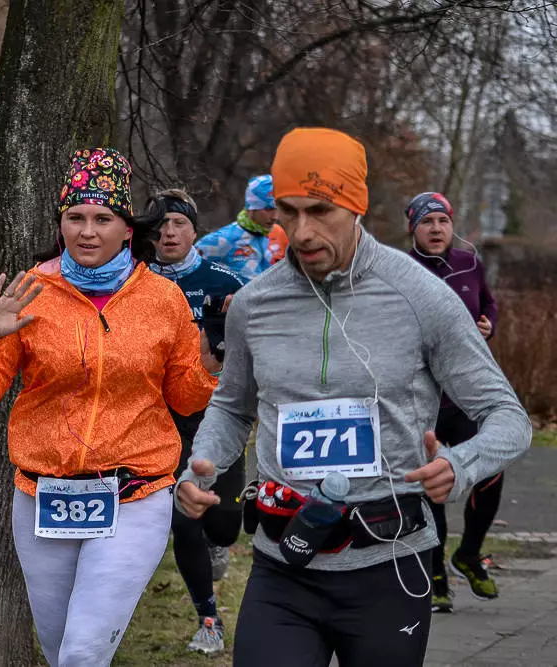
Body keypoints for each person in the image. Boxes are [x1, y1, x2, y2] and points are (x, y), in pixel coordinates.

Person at [175, 128, 531, 667]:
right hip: (282, 565)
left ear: (356, 205)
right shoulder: (254, 305)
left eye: (320, 210)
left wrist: (460, 464)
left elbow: (507, 417)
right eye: (287, 212)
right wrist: (200, 468)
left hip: (388, 563)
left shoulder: (421, 297)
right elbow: (231, 405)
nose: (302, 232)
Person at [0, 148, 220, 667]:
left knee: (82, 653)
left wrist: (208, 366)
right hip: (43, 496)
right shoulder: (32, 292)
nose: (88, 231)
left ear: (127, 228)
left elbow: (186, 399)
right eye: (75, 218)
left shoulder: (162, 298)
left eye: (103, 219)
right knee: (60, 654)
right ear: (61, 224)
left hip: (135, 494)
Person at [148, 188, 246, 654]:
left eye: (178, 224)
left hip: (216, 417)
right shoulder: (133, 281)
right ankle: (208, 618)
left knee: (226, 521)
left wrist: (224, 331)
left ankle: (219, 543)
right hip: (160, 419)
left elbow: (253, 347)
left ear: (194, 230)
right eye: (160, 225)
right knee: (184, 521)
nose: (168, 233)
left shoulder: (225, 281)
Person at [406, 191, 502, 611]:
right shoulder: (400, 270)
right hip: (423, 399)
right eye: (427, 222)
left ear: (451, 225)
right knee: (434, 485)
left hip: (466, 396)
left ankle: (469, 553)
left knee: (490, 472)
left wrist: (488, 325)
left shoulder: (470, 264)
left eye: (442, 221)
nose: (436, 229)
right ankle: (436, 571)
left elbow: (489, 306)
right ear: (414, 228)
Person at [195, 174, 288, 281]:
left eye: (278, 208)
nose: (275, 217)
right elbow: (188, 268)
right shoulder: (222, 239)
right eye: (268, 209)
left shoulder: (279, 233)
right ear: (251, 208)